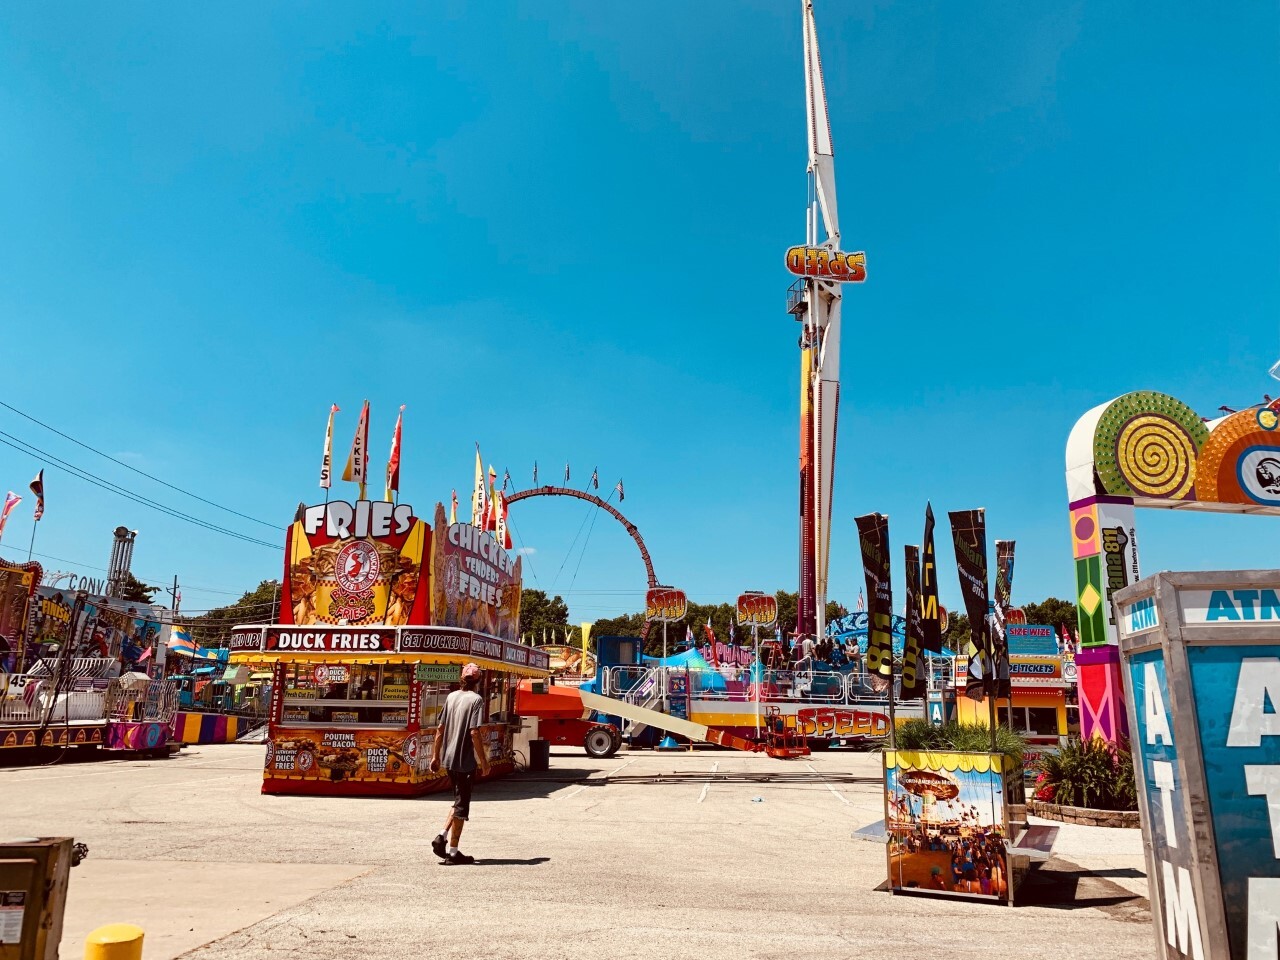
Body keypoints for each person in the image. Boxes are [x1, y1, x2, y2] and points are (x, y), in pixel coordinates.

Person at [429, 663, 491, 865]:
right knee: (462, 806)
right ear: (478, 681)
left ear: (462, 678)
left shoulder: (451, 696)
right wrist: (483, 761)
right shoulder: (477, 700)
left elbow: (440, 729)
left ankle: (442, 837)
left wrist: (435, 756)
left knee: (458, 801)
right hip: (464, 761)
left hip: (448, 758)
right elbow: (474, 732)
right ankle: (453, 852)